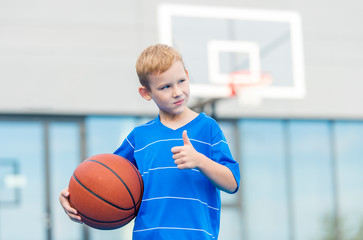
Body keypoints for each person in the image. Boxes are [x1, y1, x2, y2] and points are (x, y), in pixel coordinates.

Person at [59, 43, 240, 239]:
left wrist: (200, 161)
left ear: (187, 75)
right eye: (165, 87)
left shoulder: (207, 128)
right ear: (146, 93)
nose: (177, 92)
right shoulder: (140, 137)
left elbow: (232, 183)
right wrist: (72, 196)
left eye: (181, 81)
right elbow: (103, 179)